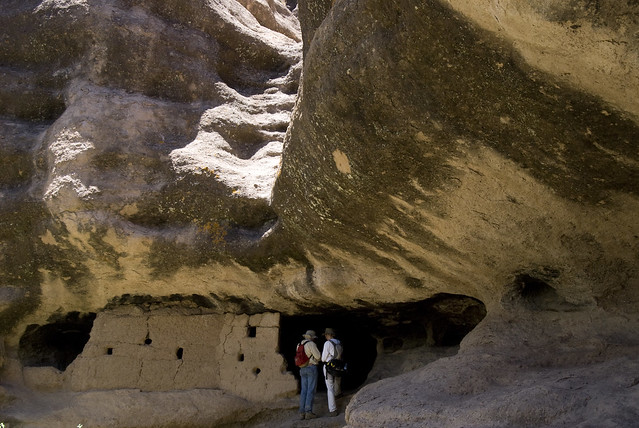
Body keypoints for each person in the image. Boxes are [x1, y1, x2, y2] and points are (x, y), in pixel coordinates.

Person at [297, 329, 321, 420]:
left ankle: (301, 412)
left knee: (304, 390)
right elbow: (318, 356)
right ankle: (308, 412)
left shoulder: (299, 344)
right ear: (312, 338)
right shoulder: (311, 344)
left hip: (302, 369)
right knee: (310, 390)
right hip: (311, 368)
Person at [321, 328, 343, 417]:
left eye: (326, 335)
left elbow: (323, 358)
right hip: (339, 365)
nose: (325, 336)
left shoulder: (327, 343)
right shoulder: (339, 342)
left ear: (328, 335)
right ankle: (338, 394)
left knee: (330, 387)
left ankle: (333, 410)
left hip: (329, 366)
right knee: (337, 380)